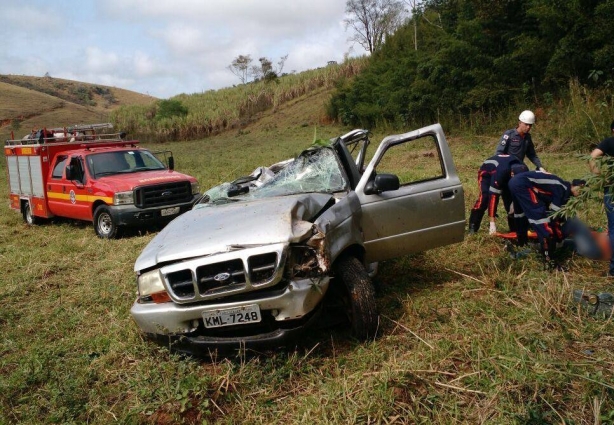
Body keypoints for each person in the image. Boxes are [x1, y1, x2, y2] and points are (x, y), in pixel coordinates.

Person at [509, 169, 585, 263]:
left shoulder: (560, 186)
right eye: (582, 190)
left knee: (520, 215)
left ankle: (521, 243)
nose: (582, 194)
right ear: (576, 186)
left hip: (516, 182)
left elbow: (548, 204)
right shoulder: (563, 189)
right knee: (541, 222)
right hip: (523, 184)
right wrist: (556, 234)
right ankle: (549, 260)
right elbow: (553, 215)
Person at [468, 154, 522, 234]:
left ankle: (515, 229)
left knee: (510, 202)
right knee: (485, 198)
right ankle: (473, 227)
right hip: (487, 173)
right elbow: (493, 197)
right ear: (512, 174)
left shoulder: (524, 170)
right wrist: (492, 224)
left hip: (506, 174)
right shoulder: (500, 173)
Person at [589, 120, 614, 276]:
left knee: (613, 229)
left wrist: (599, 178)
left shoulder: (609, 142)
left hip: (612, 189)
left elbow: (593, 157)